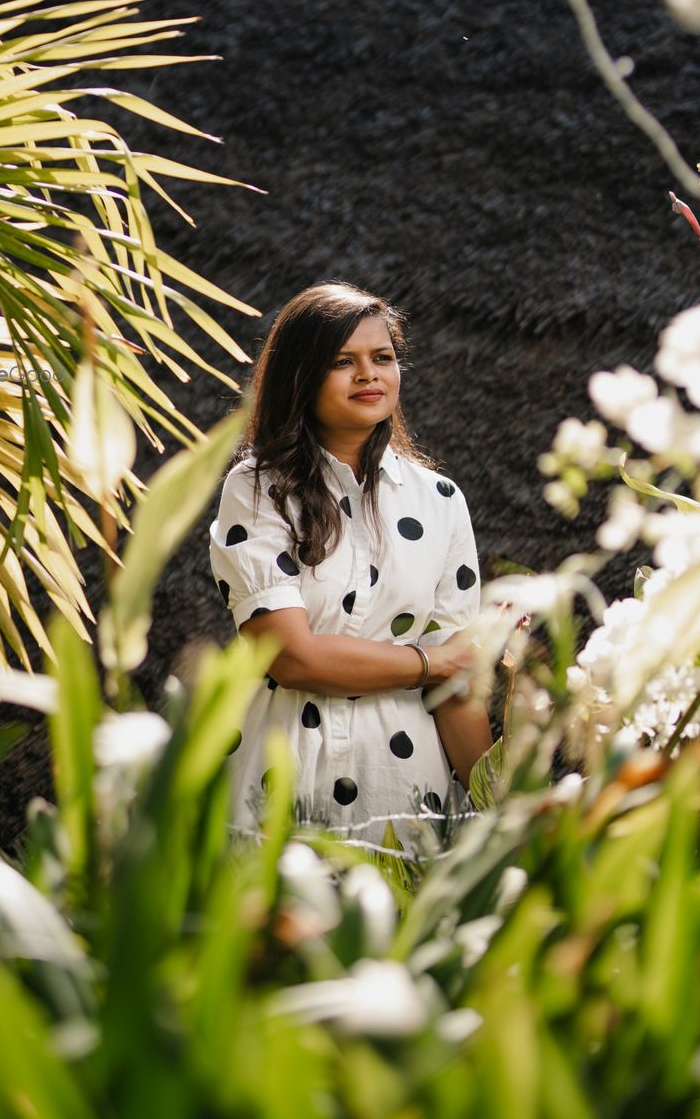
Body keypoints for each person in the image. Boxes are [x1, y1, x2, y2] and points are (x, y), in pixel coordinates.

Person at [209, 281, 493, 846]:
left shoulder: (440, 500)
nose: (369, 375)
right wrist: (434, 662)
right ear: (301, 376)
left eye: (382, 358)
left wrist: (504, 811)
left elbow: (460, 685)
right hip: (280, 783)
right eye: (343, 361)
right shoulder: (259, 487)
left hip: (409, 794)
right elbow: (292, 657)